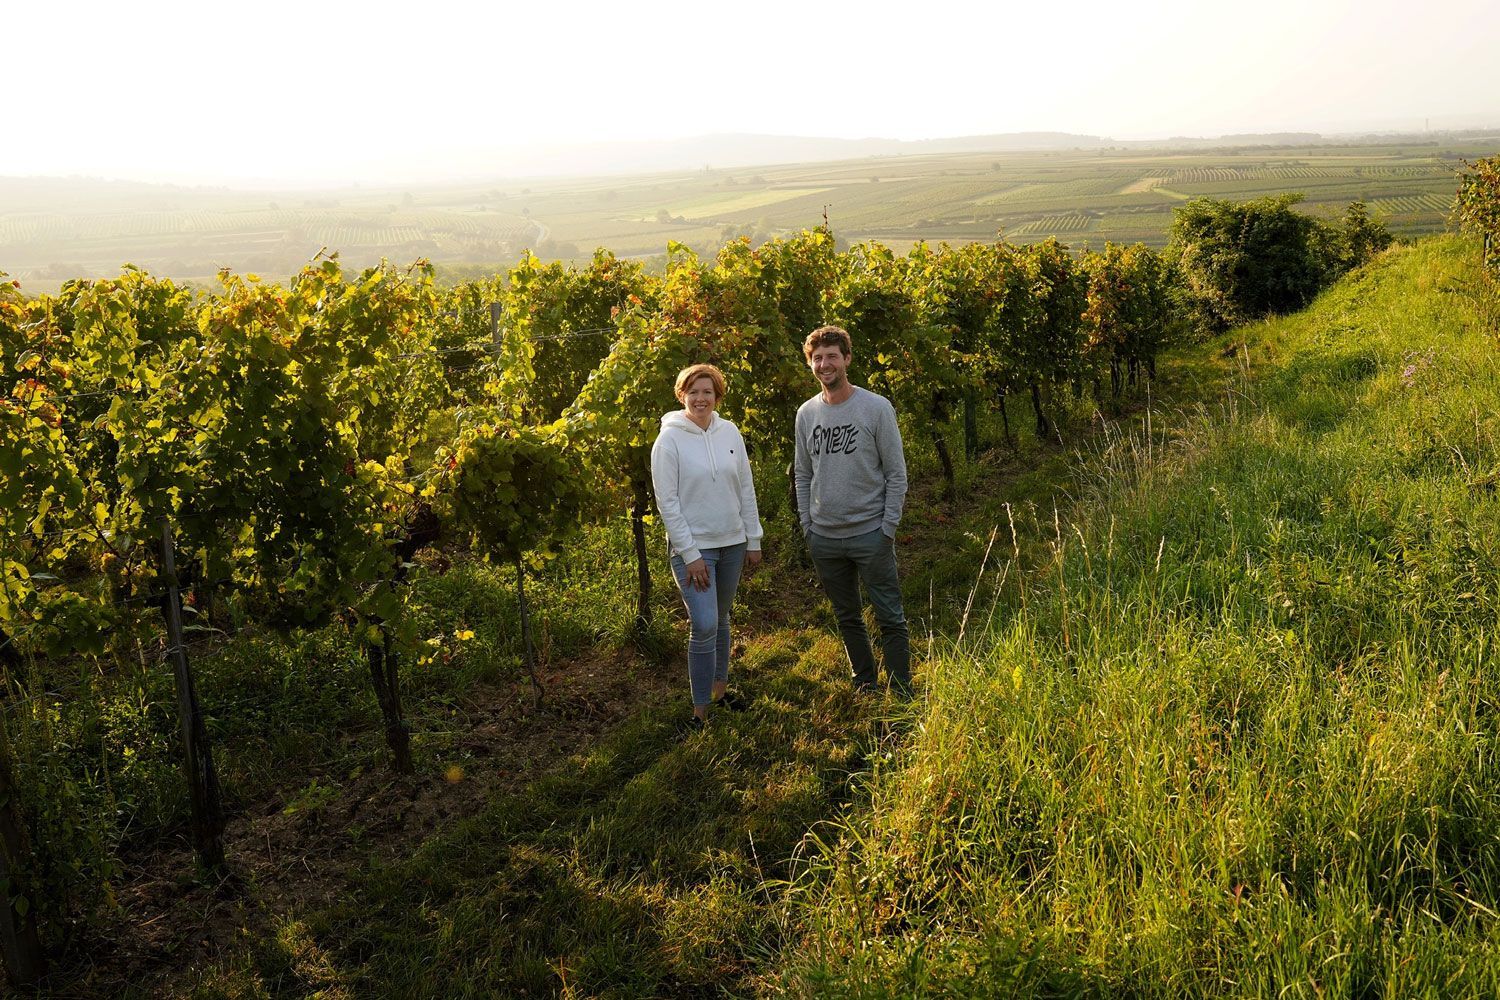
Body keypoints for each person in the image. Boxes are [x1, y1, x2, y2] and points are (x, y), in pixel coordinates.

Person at [794, 325, 911, 696]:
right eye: (817, 358)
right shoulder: (806, 414)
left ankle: (901, 689)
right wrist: (808, 527)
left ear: (847, 359)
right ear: (811, 364)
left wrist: (887, 528)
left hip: (870, 534)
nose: (824, 364)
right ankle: (866, 683)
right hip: (825, 538)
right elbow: (802, 473)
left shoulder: (875, 408)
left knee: (889, 617)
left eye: (831, 356)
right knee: (847, 617)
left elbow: (896, 473)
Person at [650, 363, 764, 730]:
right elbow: (667, 503)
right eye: (694, 392)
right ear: (681, 395)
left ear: (717, 396)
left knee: (722, 617)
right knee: (704, 623)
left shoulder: (730, 432)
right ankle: (699, 713)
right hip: (694, 550)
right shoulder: (669, 440)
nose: (701, 398)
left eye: (708, 392)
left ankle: (720, 691)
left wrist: (753, 537)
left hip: (733, 542)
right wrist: (691, 554)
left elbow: (745, 486)